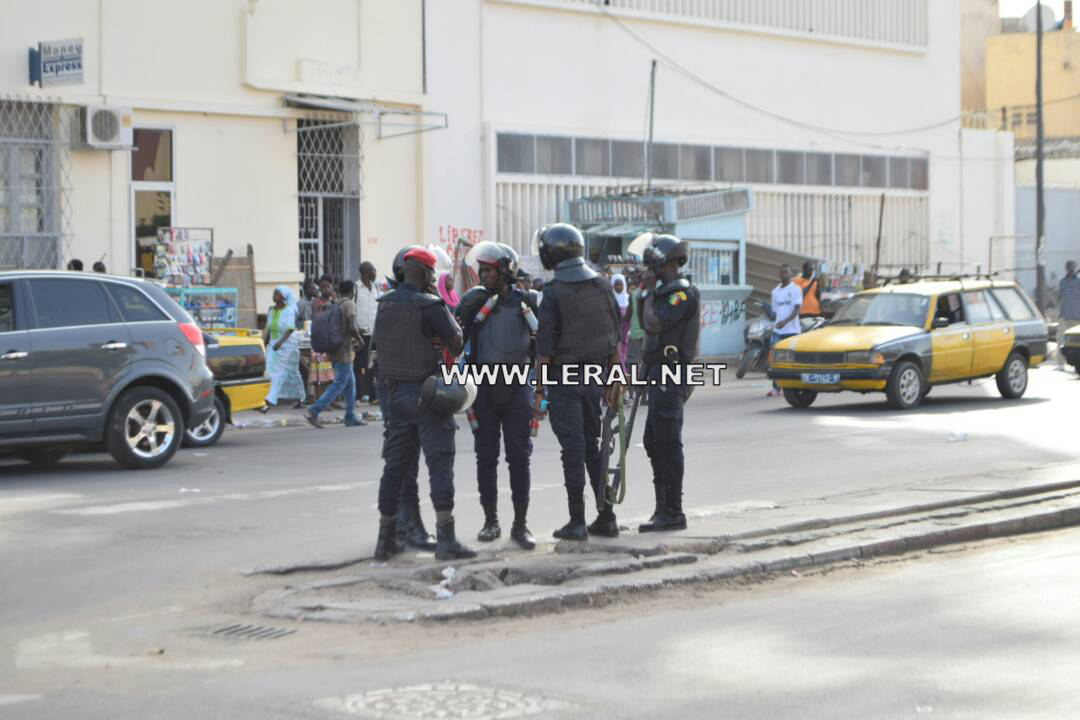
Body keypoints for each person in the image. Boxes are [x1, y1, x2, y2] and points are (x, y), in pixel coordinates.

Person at [372, 247, 473, 561]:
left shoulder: (384, 304)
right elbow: (457, 343)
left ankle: (385, 539)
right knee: (440, 465)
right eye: (432, 274)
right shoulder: (430, 305)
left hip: (395, 397)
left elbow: (380, 347)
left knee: (395, 470)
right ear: (428, 274)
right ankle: (446, 539)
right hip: (429, 396)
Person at [535, 223, 622, 541]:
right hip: (594, 379)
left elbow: (544, 350)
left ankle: (577, 521)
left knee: (572, 450)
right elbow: (613, 336)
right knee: (592, 448)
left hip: (565, 380)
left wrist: (540, 392)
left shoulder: (554, 290)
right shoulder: (601, 283)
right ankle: (607, 517)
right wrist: (616, 382)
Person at [456, 242, 538, 550]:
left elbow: (545, 340)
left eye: (488, 270)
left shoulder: (527, 301)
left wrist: (544, 391)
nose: (482, 275)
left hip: (517, 387)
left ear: (505, 271)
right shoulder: (474, 302)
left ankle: (520, 524)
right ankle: (490, 521)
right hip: (483, 389)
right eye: (481, 270)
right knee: (486, 458)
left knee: (519, 458)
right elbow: (455, 338)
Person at [636, 234, 701, 532]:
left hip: (672, 374)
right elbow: (646, 331)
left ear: (669, 260)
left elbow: (653, 325)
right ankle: (662, 508)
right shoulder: (664, 293)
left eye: (654, 265)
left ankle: (673, 512)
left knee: (667, 442)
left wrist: (648, 294)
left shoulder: (681, 294)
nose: (651, 271)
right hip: (658, 373)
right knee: (653, 441)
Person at [379, 246, 436, 551]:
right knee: (406, 464)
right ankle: (408, 527)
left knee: (399, 464)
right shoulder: (412, 305)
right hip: (404, 393)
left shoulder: (388, 304)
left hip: (392, 390)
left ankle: (397, 529)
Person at [305, 280, 366, 428]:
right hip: (343, 350)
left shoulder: (337, 303)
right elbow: (351, 327)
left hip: (334, 347)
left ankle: (350, 416)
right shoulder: (349, 304)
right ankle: (315, 410)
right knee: (339, 383)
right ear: (353, 291)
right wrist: (360, 340)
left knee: (350, 383)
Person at [260, 286, 306, 412]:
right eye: (273, 293)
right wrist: (263, 342)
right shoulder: (271, 310)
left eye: (277, 294)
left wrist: (280, 343)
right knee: (270, 371)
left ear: (283, 297)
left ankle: (299, 398)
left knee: (287, 373)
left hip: (287, 345)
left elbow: (290, 329)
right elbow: (267, 329)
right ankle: (268, 399)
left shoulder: (289, 310)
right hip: (273, 345)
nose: (274, 296)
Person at [767, 264, 802, 398]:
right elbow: (775, 312)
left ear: (790, 274)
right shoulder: (775, 292)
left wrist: (785, 322)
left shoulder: (795, 290)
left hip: (792, 331)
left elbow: (797, 310)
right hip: (778, 331)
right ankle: (776, 388)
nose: (784, 274)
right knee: (775, 360)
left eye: (786, 272)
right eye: (781, 272)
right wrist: (772, 317)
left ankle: (794, 386)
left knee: (792, 361)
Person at [354, 262, 380, 404]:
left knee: (373, 365)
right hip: (360, 333)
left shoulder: (376, 287)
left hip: (374, 332)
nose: (375, 273)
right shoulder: (356, 288)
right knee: (359, 365)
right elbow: (352, 308)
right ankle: (358, 395)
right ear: (366, 272)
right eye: (373, 270)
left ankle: (373, 395)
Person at [1058, 260, 1080, 370]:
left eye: (1072, 266)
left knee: (1077, 343)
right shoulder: (1062, 282)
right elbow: (1059, 296)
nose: (1070, 268)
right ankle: (1060, 364)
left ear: (1075, 268)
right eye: (1068, 266)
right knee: (1061, 339)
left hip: (1077, 315)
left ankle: (1077, 364)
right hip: (1064, 315)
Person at [611, 273, 632, 370]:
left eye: (621, 284)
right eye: (616, 285)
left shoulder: (628, 298)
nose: (619, 287)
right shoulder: (610, 300)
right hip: (615, 333)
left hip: (627, 333)